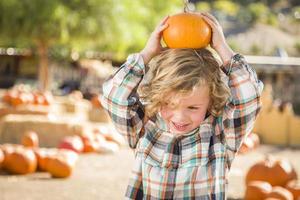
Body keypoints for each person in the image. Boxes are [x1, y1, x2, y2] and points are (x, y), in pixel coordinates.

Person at [101, 12, 263, 199]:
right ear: (158, 96)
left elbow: (250, 97)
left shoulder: (221, 135)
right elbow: (113, 97)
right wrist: (146, 54)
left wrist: (222, 47)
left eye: (192, 108)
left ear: (211, 100)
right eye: (169, 104)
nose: (179, 117)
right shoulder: (144, 129)